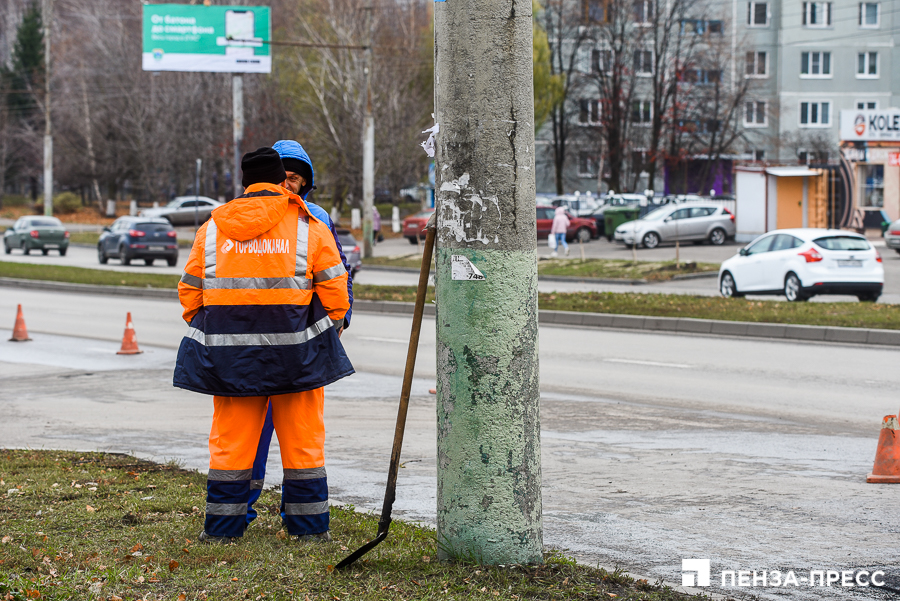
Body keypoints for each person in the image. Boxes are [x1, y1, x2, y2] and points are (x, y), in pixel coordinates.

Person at [174, 147, 353, 543]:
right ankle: (308, 531)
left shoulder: (213, 228)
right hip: (298, 356)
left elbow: (189, 295)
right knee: (304, 443)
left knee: (231, 446)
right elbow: (336, 293)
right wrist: (323, 328)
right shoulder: (308, 224)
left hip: (229, 359)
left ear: (244, 183)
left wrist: (221, 331)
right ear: (279, 180)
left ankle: (222, 530)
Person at [242, 139, 355, 529]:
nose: (289, 185)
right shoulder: (243, 215)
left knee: (302, 438)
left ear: (306, 184)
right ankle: (242, 509)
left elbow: (338, 273)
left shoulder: (316, 216)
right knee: (250, 436)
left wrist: (339, 321)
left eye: (296, 178)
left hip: (302, 344)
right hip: (252, 344)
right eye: (283, 176)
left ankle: (298, 513)